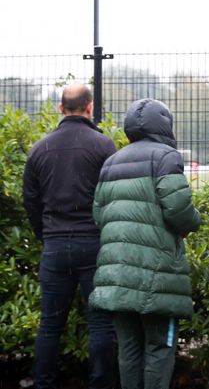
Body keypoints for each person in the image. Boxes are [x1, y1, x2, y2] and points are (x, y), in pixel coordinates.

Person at [88, 98, 201, 389]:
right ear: (165, 124)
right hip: (158, 272)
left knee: (128, 349)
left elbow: (99, 214)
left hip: (117, 274)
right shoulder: (166, 157)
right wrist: (193, 221)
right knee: (159, 348)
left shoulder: (111, 162)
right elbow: (178, 209)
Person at [22, 82, 117, 389]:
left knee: (50, 324)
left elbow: (31, 201)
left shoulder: (40, 148)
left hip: (55, 245)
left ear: (60, 109)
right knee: (101, 323)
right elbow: (113, 197)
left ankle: (43, 383)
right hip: (94, 244)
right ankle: (100, 383)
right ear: (90, 107)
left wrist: (45, 235)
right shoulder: (104, 146)